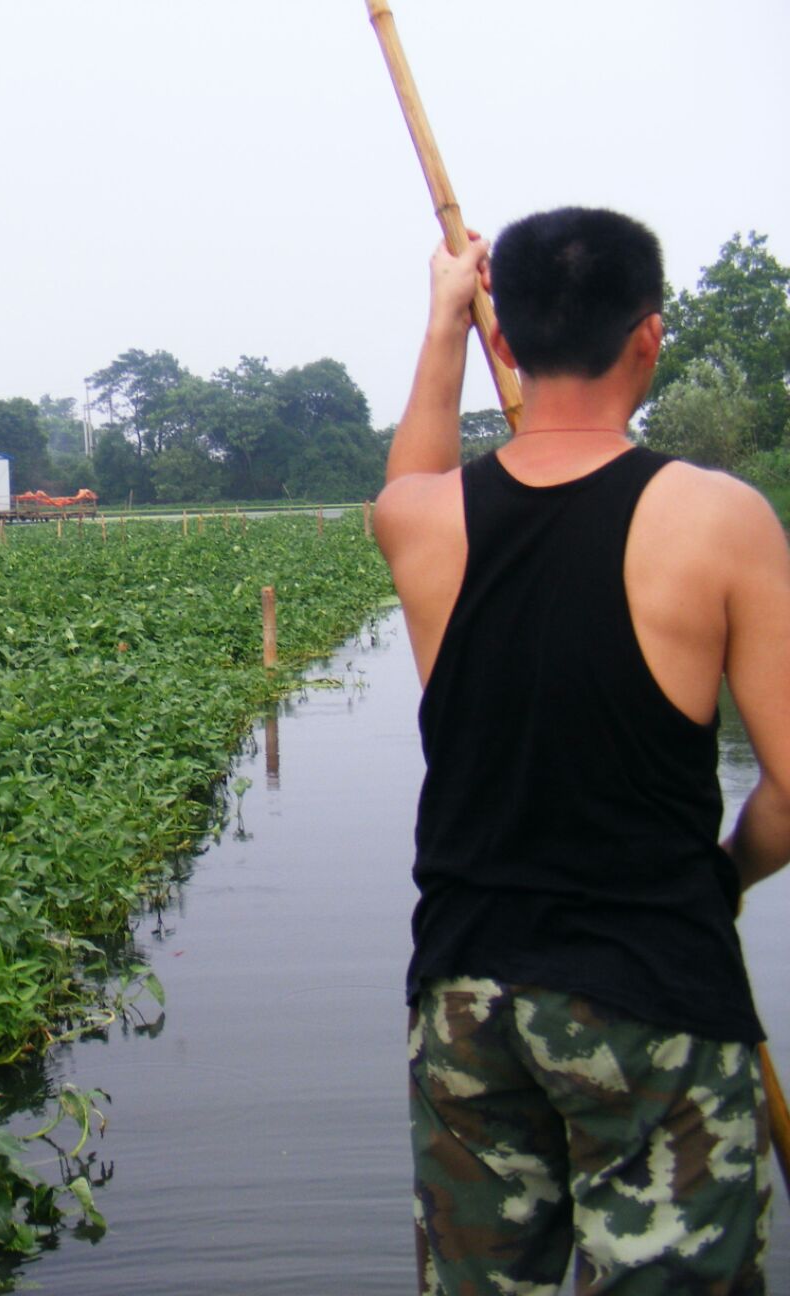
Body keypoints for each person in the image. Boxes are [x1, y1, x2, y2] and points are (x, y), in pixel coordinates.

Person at [374, 207, 790, 1294]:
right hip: (651, 992)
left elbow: (406, 485)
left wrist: (445, 325)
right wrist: (724, 873)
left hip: (466, 994)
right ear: (650, 339)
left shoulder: (424, 525)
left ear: (505, 341)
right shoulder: (719, 519)